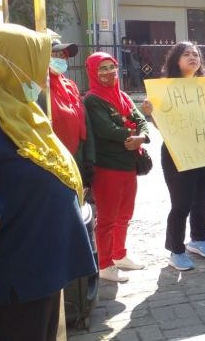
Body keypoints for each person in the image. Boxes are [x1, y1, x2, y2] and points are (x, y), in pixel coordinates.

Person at [0, 23, 96, 341]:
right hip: (10, 271)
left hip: (39, 261)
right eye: (37, 59)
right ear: (10, 61)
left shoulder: (18, 106)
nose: (46, 70)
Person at [141, 42, 205, 271]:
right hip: (178, 152)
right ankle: (176, 250)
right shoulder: (165, 88)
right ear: (176, 59)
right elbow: (163, 126)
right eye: (187, 54)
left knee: (203, 199)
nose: (193, 57)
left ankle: (199, 240)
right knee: (181, 203)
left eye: (196, 54)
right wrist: (151, 114)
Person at [84, 51, 150, 282]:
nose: (108, 72)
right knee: (108, 218)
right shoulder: (92, 99)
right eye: (102, 69)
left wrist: (141, 135)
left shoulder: (122, 95)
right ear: (92, 72)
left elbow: (141, 119)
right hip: (107, 167)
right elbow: (106, 130)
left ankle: (119, 254)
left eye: (111, 67)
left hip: (128, 165)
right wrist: (133, 132)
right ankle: (104, 264)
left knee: (125, 213)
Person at [49, 39, 95, 185]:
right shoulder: (36, 88)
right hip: (53, 161)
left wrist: (89, 159)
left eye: (63, 56)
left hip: (77, 157)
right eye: (55, 54)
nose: (60, 59)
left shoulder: (70, 86)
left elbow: (85, 123)